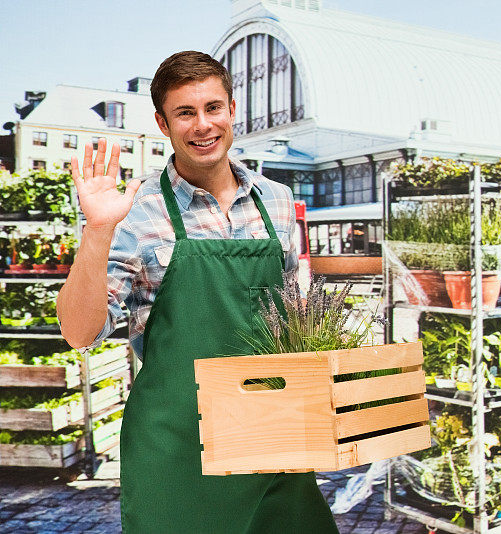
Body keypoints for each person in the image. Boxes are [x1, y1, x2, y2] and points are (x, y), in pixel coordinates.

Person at [56, 51, 339, 534]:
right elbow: (80, 333)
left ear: (232, 108)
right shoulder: (136, 211)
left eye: (213, 108)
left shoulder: (277, 199)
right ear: (163, 124)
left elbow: (296, 317)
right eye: (185, 113)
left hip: (269, 438)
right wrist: (98, 231)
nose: (202, 125)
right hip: (178, 447)